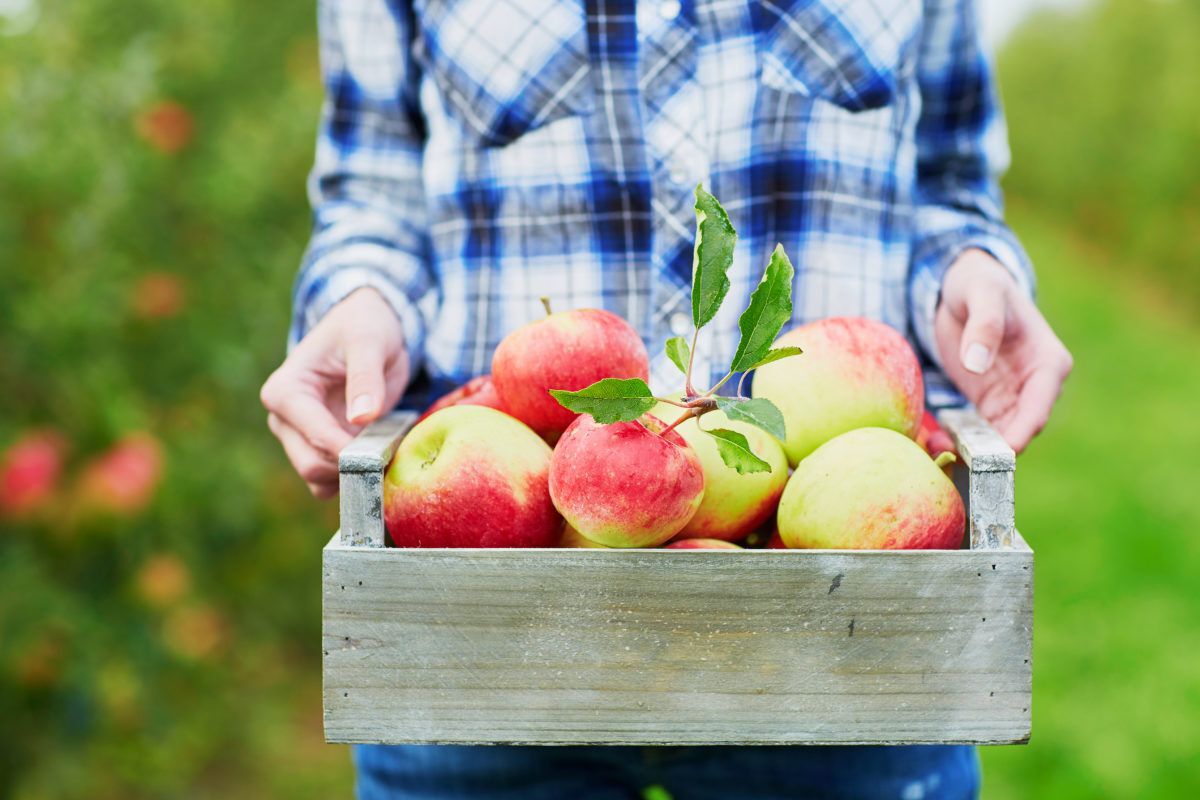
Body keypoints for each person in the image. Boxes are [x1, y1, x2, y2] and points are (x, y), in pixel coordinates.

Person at [261, 0, 1072, 797]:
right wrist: (360, 297)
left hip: (840, 640)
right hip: (486, 626)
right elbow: (373, 194)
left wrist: (968, 268)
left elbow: (949, 181)